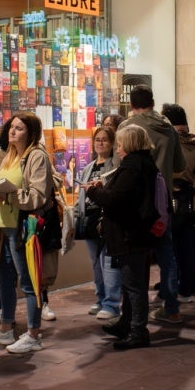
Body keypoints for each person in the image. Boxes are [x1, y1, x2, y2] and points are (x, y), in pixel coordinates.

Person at [0, 111, 52, 354]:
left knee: (28, 279)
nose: (13, 132)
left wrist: (8, 196)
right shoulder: (9, 155)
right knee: (5, 278)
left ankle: (33, 332)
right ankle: (5, 326)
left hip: (22, 225)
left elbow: (37, 195)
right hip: (3, 224)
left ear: (31, 132)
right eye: (12, 127)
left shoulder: (36, 157)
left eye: (19, 128)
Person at [85, 124, 159, 349]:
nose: (117, 148)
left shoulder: (132, 167)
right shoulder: (143, 163)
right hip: (135, 233)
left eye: (120, 143)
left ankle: (137, 331)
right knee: (130, 285)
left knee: (134, 286)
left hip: (130, 234)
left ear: (129, 144)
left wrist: (92, 191)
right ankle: (127, 323)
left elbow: (117, 200)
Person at [120, 86, 185, 324]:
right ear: (153, 102)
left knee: (134, 258)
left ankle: (134, 314)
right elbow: (179, 166)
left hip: (136, 204)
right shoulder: (168, 127)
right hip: (162, 201)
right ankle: (172, 308)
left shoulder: (128, 128)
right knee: (167, 256)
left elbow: (121, 167)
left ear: (131, 104)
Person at [161, 103, 195, 301]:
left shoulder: (174, 144)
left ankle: (182, 285)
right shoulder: (193, 142)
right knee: (192, 244)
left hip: (178, 200)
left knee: (180, 247)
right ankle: (191, 282)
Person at [75, 126, 121, 319]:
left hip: (106, 218)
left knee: (108, 262)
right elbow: (81, 195)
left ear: (112, 144)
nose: (100, 143)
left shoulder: (114, 166)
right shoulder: (88, 167)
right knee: (95, 263)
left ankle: (111, 303)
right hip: (90, 218)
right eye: (97, 140)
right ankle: (100, 298)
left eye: (105, 140)